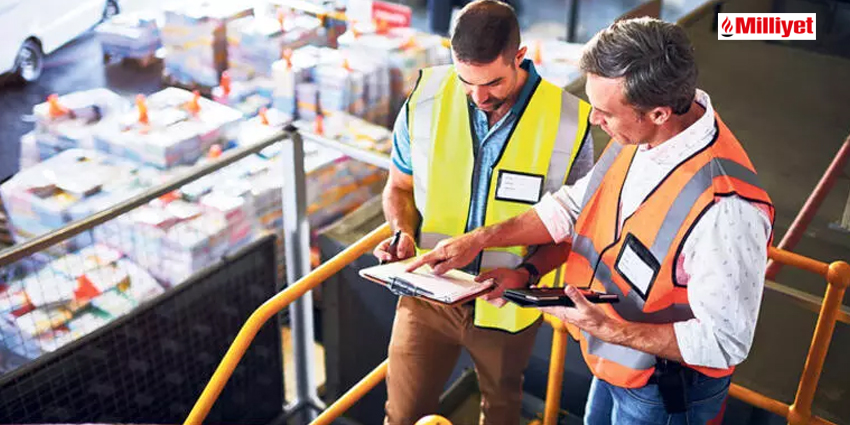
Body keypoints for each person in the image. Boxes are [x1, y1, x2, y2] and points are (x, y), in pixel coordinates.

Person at [407, 17, 774, 424]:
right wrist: (481, 241)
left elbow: (725, 341)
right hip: (614, 363)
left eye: (605, 113)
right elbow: (571, 206)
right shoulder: (642, 135)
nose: (595, 120)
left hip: (663, 393)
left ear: (657, 113)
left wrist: (610, 328)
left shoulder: (728, 210)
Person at [373, 1, 594, 424]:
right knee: (401, 416)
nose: (477, 97)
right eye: (466, 81)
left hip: (506, 303)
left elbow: (574, 231)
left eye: (492, 83)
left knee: (501, 413)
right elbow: (399, 186)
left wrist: (527, 276)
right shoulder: (425, 98)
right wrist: (402, 231)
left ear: (520, 57)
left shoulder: (570, 122)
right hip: (427, 295)